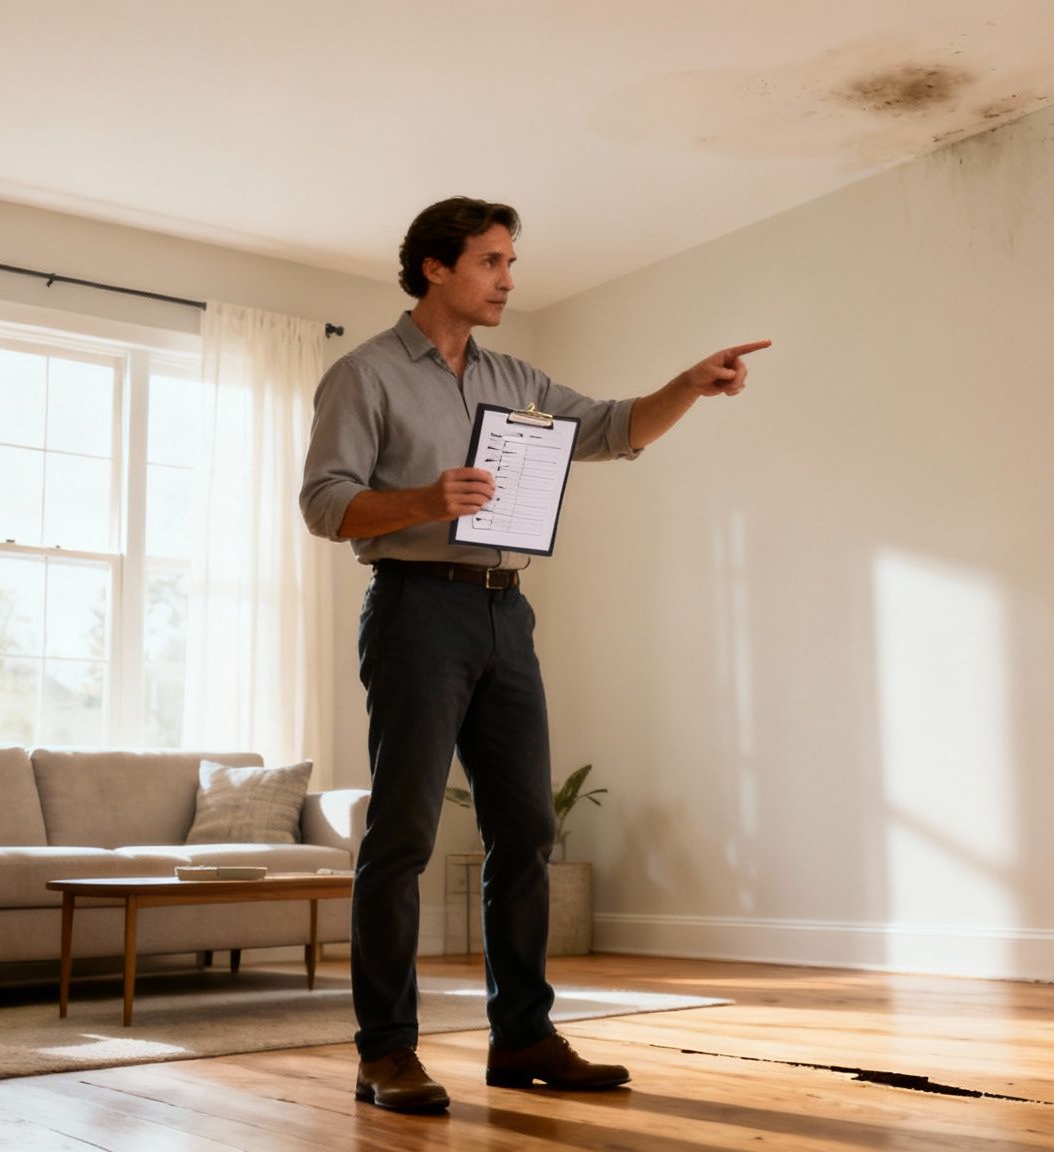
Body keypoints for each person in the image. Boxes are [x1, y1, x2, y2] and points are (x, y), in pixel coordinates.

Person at [300, 196, 769, 1113]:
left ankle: (521, 1038)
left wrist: (687, 383)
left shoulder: (514, 374)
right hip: (413, 613)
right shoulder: (364, 375)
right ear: (436, 267)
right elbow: (325, 505)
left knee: (527, 831)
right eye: (491, 262)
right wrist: (423, 499)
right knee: (402, 838)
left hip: (505, 617)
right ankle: (385, 1052)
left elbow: (611, 430)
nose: (509, 279)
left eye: (510, 262)